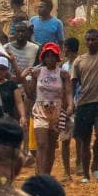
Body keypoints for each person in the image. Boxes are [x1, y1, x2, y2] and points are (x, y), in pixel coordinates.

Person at [70, 28, 98, 183]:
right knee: (84, 140)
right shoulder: (79, 61)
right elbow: (73, 84)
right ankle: (87, 174)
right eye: (88, 39)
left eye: (93, 39)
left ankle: (95, 165)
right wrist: (71, 103)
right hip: (84, 103)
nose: (90, 42)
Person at [26, 43, 72, 176]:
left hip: (56, 112)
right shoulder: (37, 72)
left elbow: (68, 92)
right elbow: (30, 93)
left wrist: (70, 106)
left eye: (53, 55)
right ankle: (40, 176)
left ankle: (46, 175)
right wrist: (23, 78)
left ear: (57, 57)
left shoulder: (63, 74)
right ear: (43, 57)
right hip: (40, 111)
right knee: (41, 144)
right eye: (47, 55)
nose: (50, 58)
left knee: (51, 146)